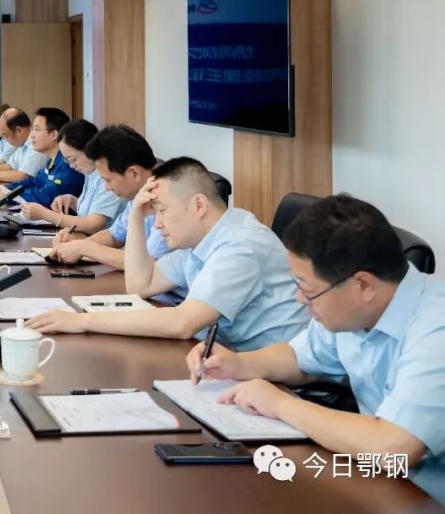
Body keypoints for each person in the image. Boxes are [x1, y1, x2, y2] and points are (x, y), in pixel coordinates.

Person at [185, 194, 445, 503]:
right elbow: (300, 357)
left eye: (307, 290)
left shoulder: (435, 327)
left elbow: (394, 446)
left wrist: (280, 404)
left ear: (363, 285)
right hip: (378, 482)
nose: (299, 298)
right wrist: (237, 364)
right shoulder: (355, 309)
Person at [29, 157, 308, 351]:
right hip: (226, 359)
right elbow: (141, 284)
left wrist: (82, 322)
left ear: (198, 205)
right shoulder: (199, 240)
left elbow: (182, 323)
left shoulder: (240, 244)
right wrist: (136, 215)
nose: (157, 224)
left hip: (279, 380)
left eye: (161, 211)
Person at [47, 125, 168, 269]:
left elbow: (147, 262)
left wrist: (84, 248)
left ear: (134, 173)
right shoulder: (139, 193)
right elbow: (114, 236)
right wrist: (75, 245)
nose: (106, 188)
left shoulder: (167, 199)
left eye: (108, 180)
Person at [17, 118, 125, 235]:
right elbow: (93, 210)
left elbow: (92, 224)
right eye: (67, 160)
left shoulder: (108, 179)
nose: (71, 165)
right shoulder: (89, 174)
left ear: (89, 149)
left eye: (73, 159)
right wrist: (74, 202)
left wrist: (44, 214)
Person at [0, 107, 82, 207]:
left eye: (36, 129)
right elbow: (34, 182)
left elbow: (46, 197)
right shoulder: (52, 161)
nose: (31, 135)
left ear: (54, 135)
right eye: (32, 129)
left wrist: (5, 197)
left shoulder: (68, 164)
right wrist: (4, 189)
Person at [0, 108, 48, 183]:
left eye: (5, 135)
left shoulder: (36, 143)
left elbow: (22, 176)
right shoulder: (21, 143)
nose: (6, 140)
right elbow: (10, 166)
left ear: (19, 130)